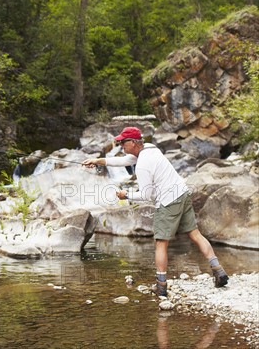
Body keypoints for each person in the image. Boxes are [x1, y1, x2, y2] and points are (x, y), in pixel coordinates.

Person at [82, 126, 229, 297]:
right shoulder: (151, 148)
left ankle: (161, 286)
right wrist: (98, 161)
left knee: (161, 243)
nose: (121, 145)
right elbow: (126, 160)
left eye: (123, 142)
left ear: (134, 142)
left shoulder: (143, 166)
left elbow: (146, 195)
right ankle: (219, 271)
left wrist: (125, 195)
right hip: (182, 193)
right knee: (195, 234)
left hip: (168, 201)